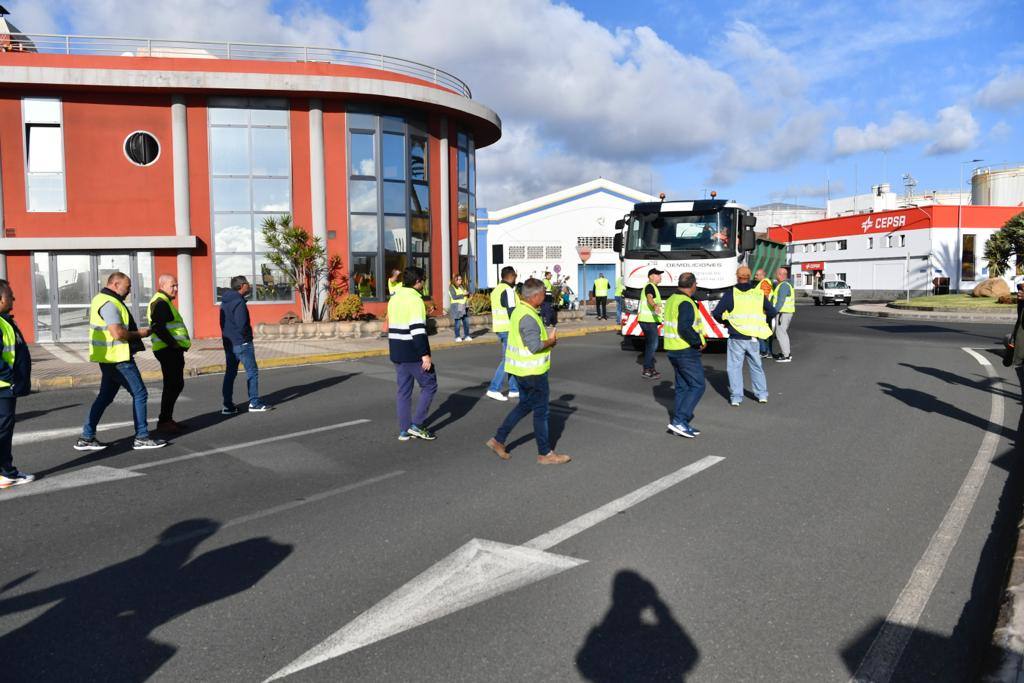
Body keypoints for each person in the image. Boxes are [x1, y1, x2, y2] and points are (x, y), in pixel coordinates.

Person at [74, 272, 166, 451]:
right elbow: (118, 333)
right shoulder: (109, 303)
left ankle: (86, 437)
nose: (129, 290)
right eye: (127, 286)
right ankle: (142, 437)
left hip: (109, 358)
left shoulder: (102, 299)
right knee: (140, 393)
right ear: (115, 284)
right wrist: (140, 333)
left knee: (105, 397)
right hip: (118, 358)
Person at [485, 278, 571, 465]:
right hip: (532, 372)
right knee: (541, 411)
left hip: (520, 370)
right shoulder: (529, 317)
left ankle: (498, 440)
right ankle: (545, 453)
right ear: (536, 296)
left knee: (525, 405)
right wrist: (550, 341)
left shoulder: (519, 311)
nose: (544, 297)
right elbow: (534, 346)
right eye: (543, 294)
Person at [713, 266, 776, 406]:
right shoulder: (758, 294)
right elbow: (772, 311)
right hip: (753, 337)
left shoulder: (730, 294)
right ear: (749, 277)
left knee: (734, 368)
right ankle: (762, 395)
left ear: (737, 276)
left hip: (736, 337)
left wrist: (726, 322)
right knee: (756, 366)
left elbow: (716, 313)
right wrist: (762, 320)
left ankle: (736, 397)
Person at [388, 266, 437, 441]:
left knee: (403, 391)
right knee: (430, 384)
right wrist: (425, 355)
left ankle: (404, 430)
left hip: (396, 350)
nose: (424, 284)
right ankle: (417, 425)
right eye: (423, 280)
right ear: (417, 282)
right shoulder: (415, 300)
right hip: (412, 351)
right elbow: (417, 330)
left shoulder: (395, 297)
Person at [662, 272, 706, 438]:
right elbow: (684, 328)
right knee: (698, 385)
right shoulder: (686, 302)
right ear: (693, 285)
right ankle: (680, 420)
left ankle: (679, 423)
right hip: (685, 350)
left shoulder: (672, 299)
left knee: (683, 387)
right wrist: (698, 341)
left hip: (672, 349)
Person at [220, 275, 272, 415]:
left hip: (229, 343)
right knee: (252, 372)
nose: (249, 285)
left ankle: (227, 405)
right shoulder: (239, 302)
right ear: (242, 286)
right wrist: (246, 339)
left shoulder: (225, 301)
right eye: (247, 283)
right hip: (242, 343)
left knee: (230, 373)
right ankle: (254, 403)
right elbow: (242, 324)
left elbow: (222, 323)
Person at [0, 280, 34, 487]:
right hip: (3, 388)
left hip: (6, 386)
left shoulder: (5, 321)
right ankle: (6, 473)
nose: (13, 298)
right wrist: (11, 379)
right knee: (3, 431)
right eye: (10, 295)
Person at [148, 274, 191, 433]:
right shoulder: (160, 302)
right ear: (162, 286)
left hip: (169, 349)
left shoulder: (164, 301)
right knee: (173, 385)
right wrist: (174, 345)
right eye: (172, 285)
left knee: (174, 384)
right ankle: (164, 420)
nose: (176, 289)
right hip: (168, 350)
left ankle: (166, 419)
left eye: (177, 285)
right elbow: (158, 327)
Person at [487, 266, 520, 402]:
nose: (516, 279)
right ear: (511, 277)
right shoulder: (508, 290)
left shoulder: (496, 290)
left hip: (500, 327)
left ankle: (514, 389)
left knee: (510, 358)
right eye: (515, 277)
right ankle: (494, 388)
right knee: (508, 359)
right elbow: (512, 312)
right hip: (508, 328)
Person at [638, 268, 664, 379]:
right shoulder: (650, 286)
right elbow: (649, 297)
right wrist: (654, 305)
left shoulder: (652, 287)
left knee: (650, 345)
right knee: (653, 345)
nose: (660, 277)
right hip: (648, 321)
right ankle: (647, 370)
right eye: (658, 275)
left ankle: (651, 368)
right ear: (651, 276)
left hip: (648, 320)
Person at [770, 267, 796, 363]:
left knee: (781, 333)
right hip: (786, 313)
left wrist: (774, 311)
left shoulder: (783, 286)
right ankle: (787, 353)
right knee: (783, 333)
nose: (776, 276)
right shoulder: (786, 284)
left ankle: (786, 356)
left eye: (777, 274)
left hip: (783, 313)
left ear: (781, 275)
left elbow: (780, 301)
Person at [753, 269, 774, 358]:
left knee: (760, 331)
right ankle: (767, 351)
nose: (755, 277)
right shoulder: (763, 282)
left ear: (762, 275)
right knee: (764, 331)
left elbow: (765, 297)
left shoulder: (764, 283)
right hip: (763, 311)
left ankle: (764, 351)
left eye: (757, 275)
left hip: (762, 312)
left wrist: (764, 310)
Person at [449, 274, 470, 342]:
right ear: (455, 280)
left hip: (464, 306)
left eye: (461, 279)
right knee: (457, 322)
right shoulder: (451, 287)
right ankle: (457, 336)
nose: (461, 280)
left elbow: (465, 294)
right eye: (459, 279)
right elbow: (454, 297)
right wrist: (463, 295)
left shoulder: (462, 286)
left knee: (466, 321)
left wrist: (468, 294)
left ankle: (467, 336)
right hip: (457, 306)